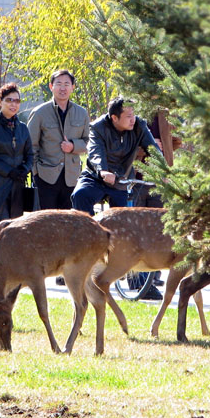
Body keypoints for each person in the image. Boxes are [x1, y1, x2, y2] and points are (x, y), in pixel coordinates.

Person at [71, 97, 163, 299]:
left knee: (127, 223)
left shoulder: (138, 125)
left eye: (133, 115)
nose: (133, 119)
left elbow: (152, 149)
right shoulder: (98, 127)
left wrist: (164, 170)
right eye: (127, 116)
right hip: (96, 176)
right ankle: (83, 249)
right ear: (114, 117)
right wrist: (103, 170)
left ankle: (137, 283)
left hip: (121, 178)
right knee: (80, 196)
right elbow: (95, 152)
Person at [27, 69, 90, 210]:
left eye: (67, 84)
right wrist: (36, 171)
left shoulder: (82, 113)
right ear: (51, 87)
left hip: (71, 177)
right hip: (45, 176)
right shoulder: (39, 113)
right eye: (59, 83)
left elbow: (88, 142)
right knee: (46, 221)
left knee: (67, 221)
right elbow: (30, 145)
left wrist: (73, 146)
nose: (63, 88)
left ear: (73, 87)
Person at [0, 83, 34, 232]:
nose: (13, 104)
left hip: (17, 187)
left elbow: (30, 154)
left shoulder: (22, 127)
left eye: (17, 101)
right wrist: (9, 171)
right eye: (9, 100)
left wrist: (25, 169)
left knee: (16, 234)